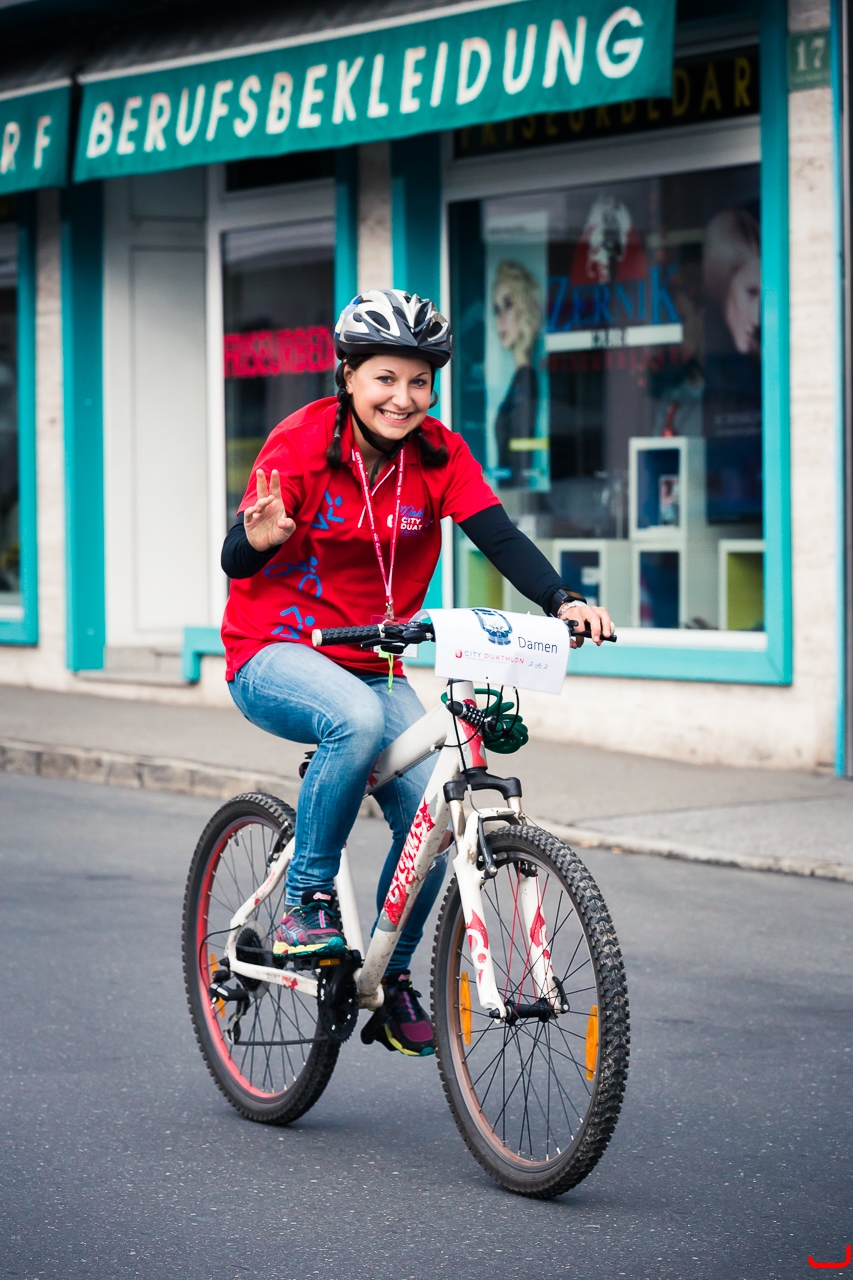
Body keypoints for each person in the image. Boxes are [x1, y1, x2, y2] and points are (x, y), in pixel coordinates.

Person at [220, 288, 612, 1058]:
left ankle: (387, 973)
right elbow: (236, 557)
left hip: (374, 660)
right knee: (355, 719)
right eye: (385, 378)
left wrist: (561, 599)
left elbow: (497, 535)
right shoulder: (300, 444)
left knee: (431, 818)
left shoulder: (439, 453)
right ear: (347, 376)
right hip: (274, 650)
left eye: (419, 381)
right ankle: (304, 902)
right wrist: (256, 541)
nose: (403, 397)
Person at [491, 260, 541, 488]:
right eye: (496, 310)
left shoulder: (526, 380)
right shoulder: (520, 379)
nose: (500, 319)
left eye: (508, 305)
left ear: (525, 308)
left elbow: (523, 460)